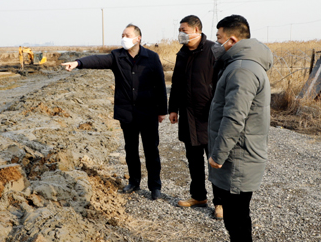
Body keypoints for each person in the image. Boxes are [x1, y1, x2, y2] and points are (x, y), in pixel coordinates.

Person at [205, 14, 272, 242]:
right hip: (239, 154)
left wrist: (218, 153)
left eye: (219, 38)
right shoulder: (241, 64)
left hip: (239, 157)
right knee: (233, 216)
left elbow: (235, 117)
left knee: (238, 218)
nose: (216, 43)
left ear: (232, 40)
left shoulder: (242, 69)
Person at [62, 24, 168, 200]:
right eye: (122, 35)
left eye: (128, 35)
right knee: (131, 150)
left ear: (138, 38)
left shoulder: (151, 57)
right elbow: (97, 60)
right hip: (127, 113)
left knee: (151, 150)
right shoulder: (117, 56)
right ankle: (134, 182)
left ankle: (155, 187)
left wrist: (162, 110)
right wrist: (78, 63)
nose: (124, 38)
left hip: (148, 112)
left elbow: (160, 85)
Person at [168, 15, 224, 218]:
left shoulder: (214, 50)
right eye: (179, 30)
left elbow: (223, 81)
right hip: (188, 115)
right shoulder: (182, 54)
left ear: (197, 30)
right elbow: (176, 83)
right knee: (193, 159)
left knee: (214, 161)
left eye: (184, 30)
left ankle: (220, 202)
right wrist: (173, 108)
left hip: (209, 116)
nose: (181, 34)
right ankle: (198, 196)